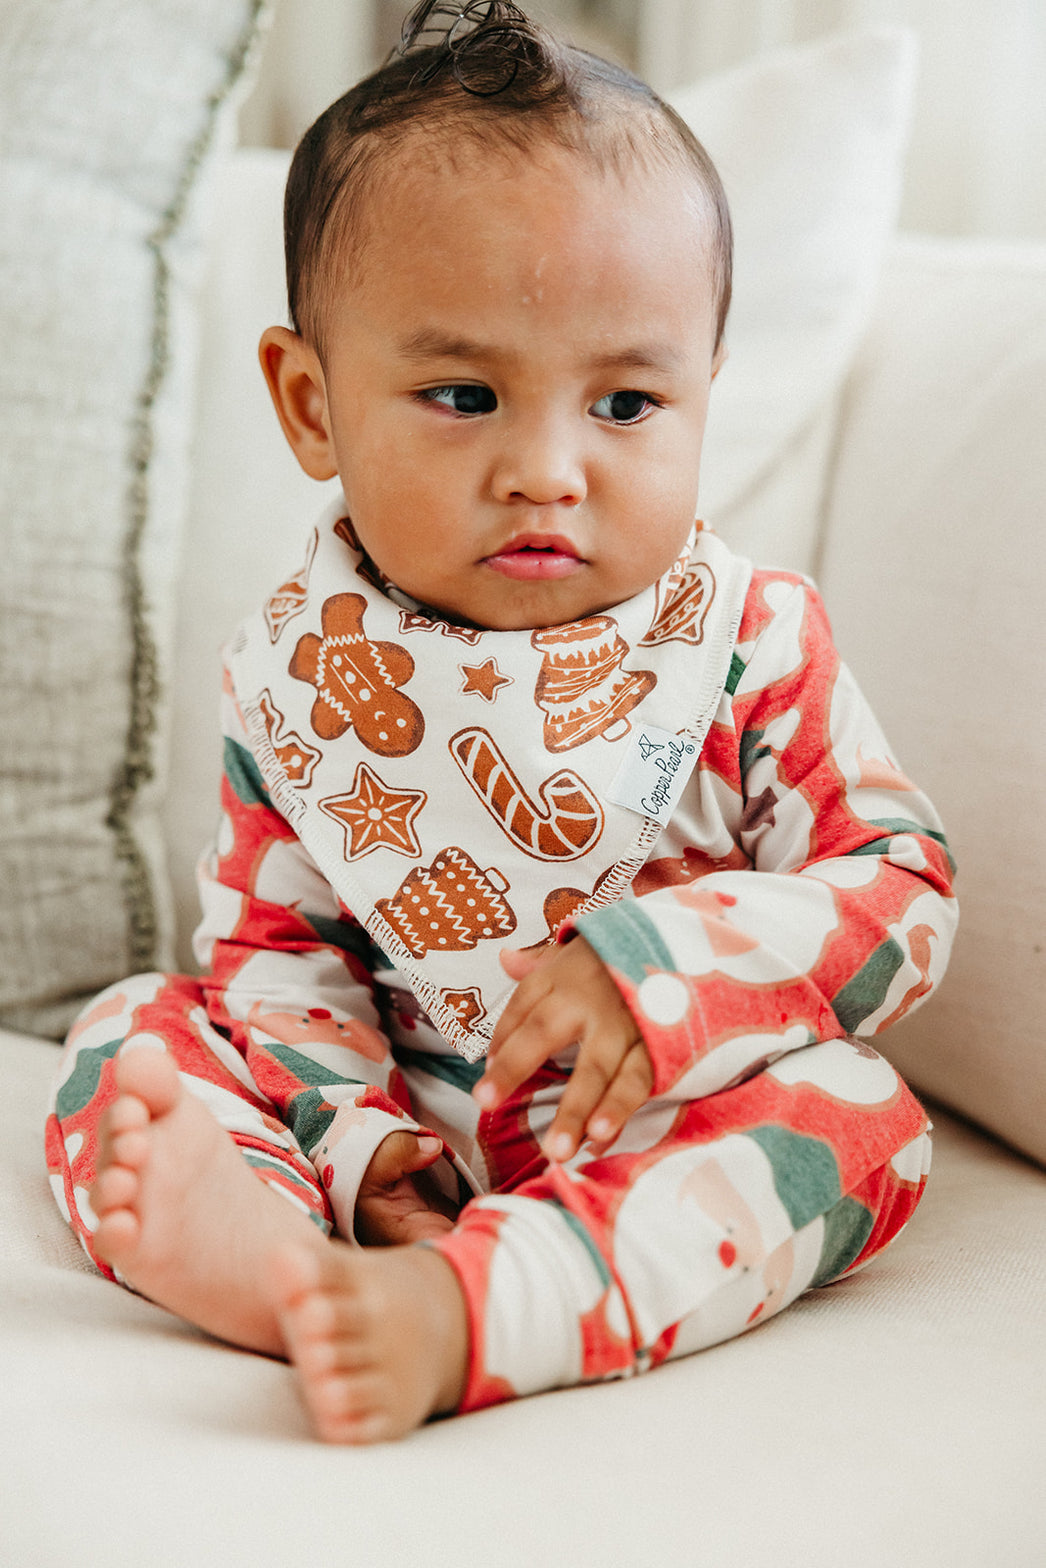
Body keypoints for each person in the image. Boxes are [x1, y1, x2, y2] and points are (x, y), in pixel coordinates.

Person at [46, 0, 957, 1445]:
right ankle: (284, 1250)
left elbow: (901, 900)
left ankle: (492, 1307)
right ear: (312, 404)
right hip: (400, 1116)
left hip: (651, 1112)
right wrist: (361, 1140)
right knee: (137, 1029)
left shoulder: (747, 640)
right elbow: (280, 955)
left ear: (703, 396)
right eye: (463, 395)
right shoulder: (293, 671)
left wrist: (659, 971)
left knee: (859, 1119)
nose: (546, 468)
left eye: (626, 402)